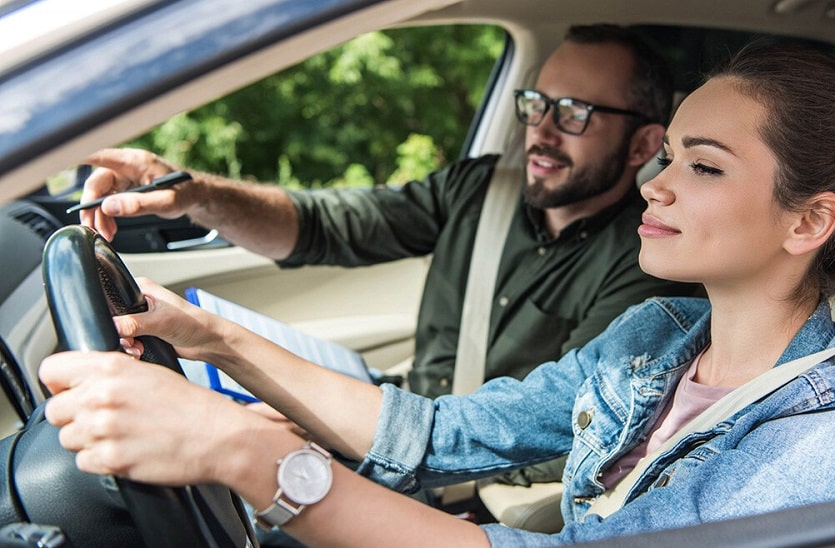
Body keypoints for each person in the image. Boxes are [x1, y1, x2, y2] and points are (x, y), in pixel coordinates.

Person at [40, 43, 835, 546]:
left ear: (807, 221)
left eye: (701, 166)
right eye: (671, 157)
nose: (656, 184)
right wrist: (212, 340)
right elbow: (436, 436)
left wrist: (251, 457)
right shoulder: (657, 337)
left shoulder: (822, 447)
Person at [77, 24, 695, 406]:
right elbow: (325, 225)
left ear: (643, 145)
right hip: (404, 413)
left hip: (471, 478)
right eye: (536, 104)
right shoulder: (480, 189)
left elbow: (559, 424)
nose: (541, 132)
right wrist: (196, 194)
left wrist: (338, 430)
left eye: (575, 113)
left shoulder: (649, 263)